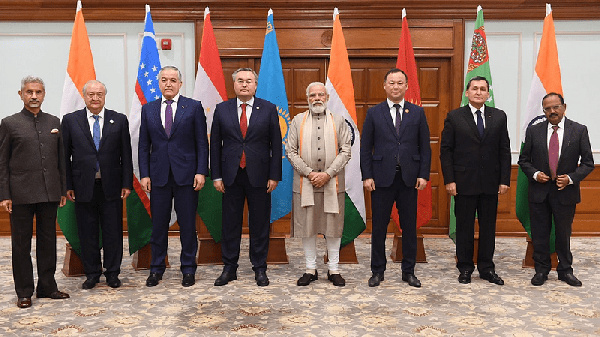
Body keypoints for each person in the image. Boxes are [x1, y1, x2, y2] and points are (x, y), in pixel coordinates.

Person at [0, 76, 69, 308]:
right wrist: (4, 194)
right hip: (20, 195)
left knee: (48, 242)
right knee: (21, 244)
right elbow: (2, 163)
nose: (34, 96)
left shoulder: (54, 121)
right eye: (29, 92)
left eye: (38, 92)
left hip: (49, 193)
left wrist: (61, 189)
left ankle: (47, 286)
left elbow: (61, 160)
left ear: (44, 94)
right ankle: (24, 291)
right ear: (21, 94)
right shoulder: (9, 123)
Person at [210, 68, 282, 287]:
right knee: (230, 224)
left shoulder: (268, 109)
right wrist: (216, 176)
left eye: (248, 81)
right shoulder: (222, 109)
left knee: (259, 223)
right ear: (234, 84)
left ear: (255, 85)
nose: (244, 84)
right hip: (230, 176)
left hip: (260, 176)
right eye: (240, 81)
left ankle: (259, 268)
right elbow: (215, 144)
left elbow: (276, 145)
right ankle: (229, 267)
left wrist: (274, 175)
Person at [138, 66, 209, 287]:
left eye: (173, 80)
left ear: (180, 83)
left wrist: (200, 171)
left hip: (187, 176)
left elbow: (201, 143)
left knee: (187, 225)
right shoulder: (148, 109)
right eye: (164, 80)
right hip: (158, 176)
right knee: (158, 226)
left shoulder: (193, 107)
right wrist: (144, 174)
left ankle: (188, 269)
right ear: (159, 83)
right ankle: (156, 269)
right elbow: (143, 145)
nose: (168, 84)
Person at [361, 68, 431, 288]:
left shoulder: (417, 113)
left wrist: (423, 174)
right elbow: (365, 148)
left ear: (406, 86)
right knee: (379, 228)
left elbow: (425, 148)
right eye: (391, 83)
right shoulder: (374, 113)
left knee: (409, 228)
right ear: (384, 85)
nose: (395, 87)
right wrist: (367, 175)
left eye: (400, 83)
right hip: (381, 179)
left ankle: (408, 271)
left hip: (409, 179)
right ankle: (377, 271)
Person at [62, 80, 133, 290]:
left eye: (99, 94)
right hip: (82, 186)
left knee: (113, 232)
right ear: (84, 97)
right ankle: (92, 273)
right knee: (87, 231)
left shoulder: (118, 120)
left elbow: (126, 156)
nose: (95, 98)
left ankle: (112, 273)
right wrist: (67, 185)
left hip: (111, 185)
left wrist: (127, 183)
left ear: (105, 96)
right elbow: (65, 156)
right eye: (91, 95)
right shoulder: (70, 120)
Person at [440, 76, 511, 286]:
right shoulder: (454, 117)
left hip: (490, 182)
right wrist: (450, 180)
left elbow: (504, 150)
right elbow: (446, 151)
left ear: (488, 94)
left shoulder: (499, 117)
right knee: (464, 227)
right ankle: (465, 267)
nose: (478, 92)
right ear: (467, 93)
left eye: (483, 89)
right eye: (474, 89)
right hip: (463, 182)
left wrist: (504, 179)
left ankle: (487, 268)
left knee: (488, 227)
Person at [518, 92, 594, 287]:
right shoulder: (533, 131)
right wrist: (535, 174)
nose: (552, 111)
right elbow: (524, 161)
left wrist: (570, 178)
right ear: (543, 110)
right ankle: (541, 270)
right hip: (539, 192)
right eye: (547, 108)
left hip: (565, 192)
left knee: (563, 234)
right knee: (540, 234)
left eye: (556, 107)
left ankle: (565, 271)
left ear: (564, 107)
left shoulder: (578, 130)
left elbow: (588, 163)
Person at [286, 82, 351, 287]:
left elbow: (346, 151)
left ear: (327, 97)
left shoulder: (339, 121)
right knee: (308, 226)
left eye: (320, 94)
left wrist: (328, 174)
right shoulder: (298, 121)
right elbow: (290, 151)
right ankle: (310, 268)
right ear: (307, 98)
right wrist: (310, 173)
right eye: (312, 95)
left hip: (333, 182)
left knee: (333, 227)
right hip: (306, 183)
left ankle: (334, 269)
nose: (317, 98)